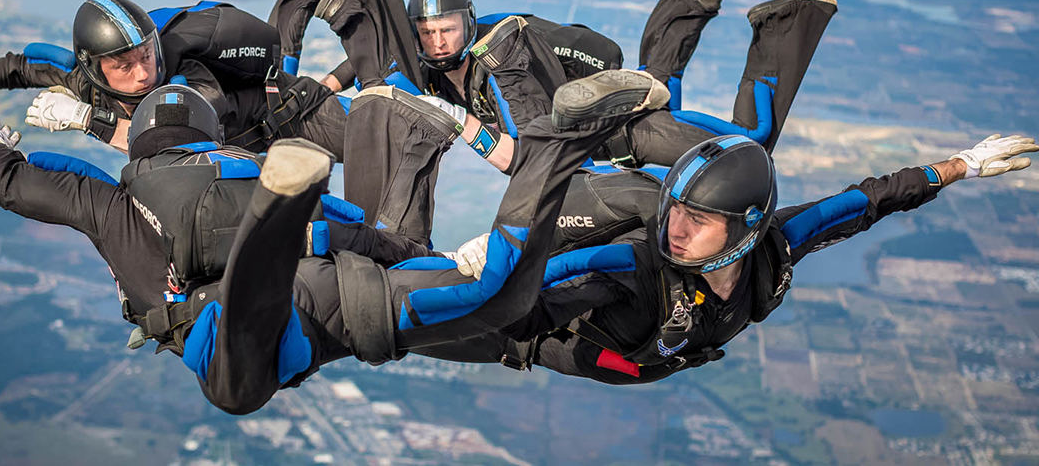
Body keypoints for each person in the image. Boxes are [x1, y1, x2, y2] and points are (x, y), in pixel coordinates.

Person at [0, 69, 673, 414]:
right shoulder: (234, 164)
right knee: (497, 298)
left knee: (236, 385)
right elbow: (370, 237)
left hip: (246, 328)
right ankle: (554, 140)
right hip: (337, 298)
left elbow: (19, 182)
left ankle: (262, 256)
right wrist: (426, 264)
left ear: (144, 148)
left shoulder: (120, 199)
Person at [414, 132, 1038, 384]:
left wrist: (965, 165)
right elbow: (558, 283)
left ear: (746, 225)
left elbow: (865, 201)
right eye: (676, 209)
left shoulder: (775, 247)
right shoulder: (632, 271)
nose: (676, 230)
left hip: (640, 356)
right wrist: (500, 266)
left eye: (700, 219)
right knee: (389, 325)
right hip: (518, 333)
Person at [307, 0, 838, 173]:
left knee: (747, 149)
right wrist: (325, 86)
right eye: (427, 33)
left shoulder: (508, 47)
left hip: (626, 131)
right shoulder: (424, 62)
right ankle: (688, 12)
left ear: (469, 24)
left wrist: (607, 95)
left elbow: (601, 54)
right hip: (589, 153)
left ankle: (780, 26)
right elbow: (379, 61)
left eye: (447, 30)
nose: (438, 42)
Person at [0, 0, 348, 159]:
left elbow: (176, 138)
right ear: (93, 67)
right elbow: (21, 66)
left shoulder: (181, 73)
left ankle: (321, 3)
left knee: (386, 128)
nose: (142, 72)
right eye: (121, 64)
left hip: (293, 121)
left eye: (145, 54)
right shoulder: (81, 77)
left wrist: (89, 121)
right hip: (262, 149)